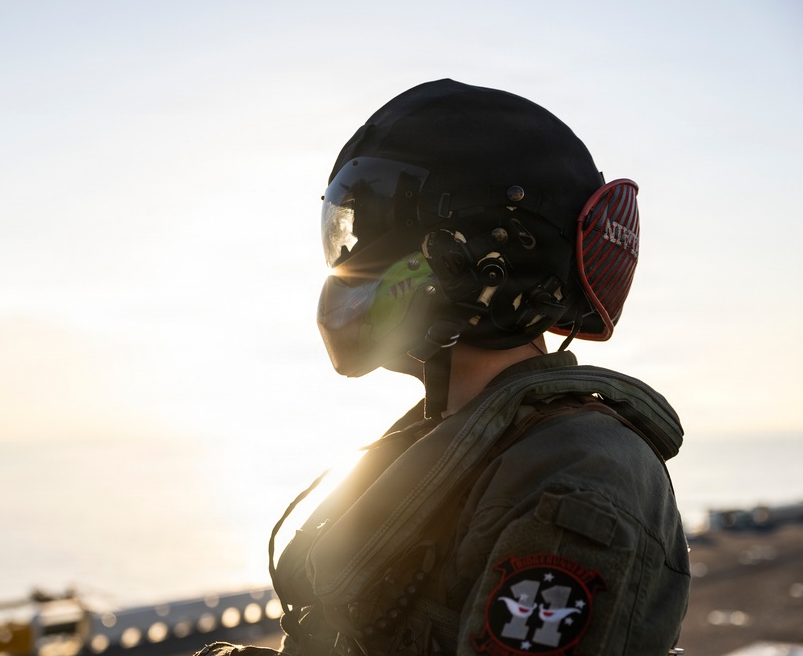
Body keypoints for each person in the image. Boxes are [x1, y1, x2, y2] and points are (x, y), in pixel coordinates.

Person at [203, 79, 689, 656]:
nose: (354, 261)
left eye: (383, 230)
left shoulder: (581, 478)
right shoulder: (441, 437)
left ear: (491, 259)